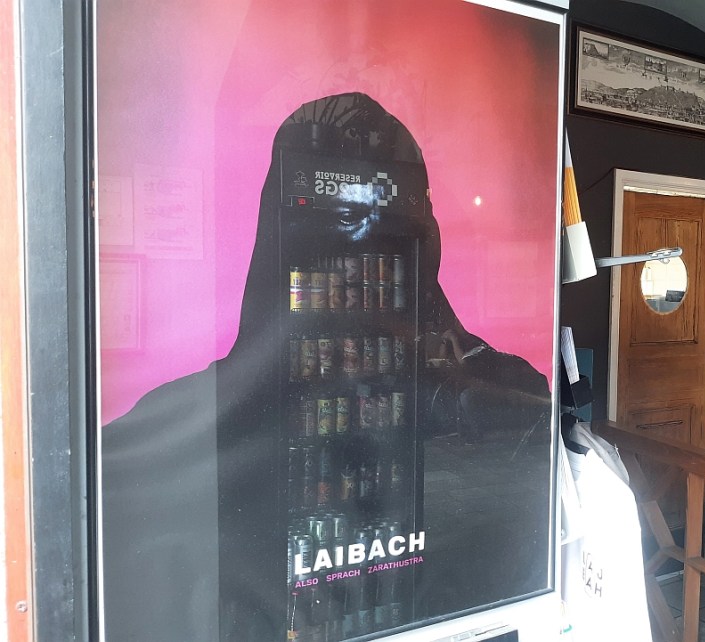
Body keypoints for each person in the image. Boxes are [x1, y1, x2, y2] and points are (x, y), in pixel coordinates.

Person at [101, 93, 552, 641]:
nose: (356, 279)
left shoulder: (504, 391)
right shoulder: (157, 444)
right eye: (333, 251)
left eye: (381, 249)